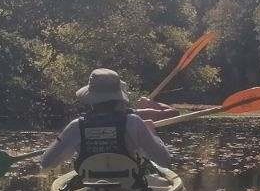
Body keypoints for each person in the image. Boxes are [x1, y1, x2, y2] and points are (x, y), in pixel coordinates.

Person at [38, 68, 174, 177]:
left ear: (90, 99)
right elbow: (165, 161)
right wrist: (151, 132)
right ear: (118, 98)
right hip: (128, 189)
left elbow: (46, 163)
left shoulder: (76, 126)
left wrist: (68, 146)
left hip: (89, 188)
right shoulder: (134, 122)